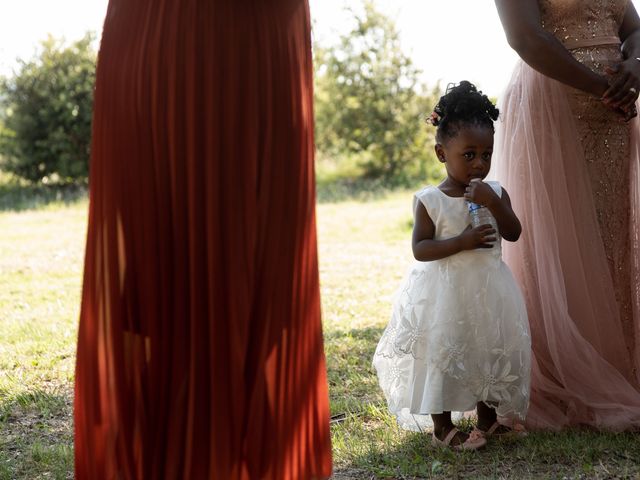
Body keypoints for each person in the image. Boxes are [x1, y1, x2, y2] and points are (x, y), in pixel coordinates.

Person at [74, 1, 332, 478]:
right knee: (159, 266)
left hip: (258, 33)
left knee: (260, 265)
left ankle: (242, 452)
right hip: (165, 27)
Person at [493, 0, 640, 430]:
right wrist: (601, 87)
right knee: (564, 241)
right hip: (553, 111)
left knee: (612, 235)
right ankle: (568, 373)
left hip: (614, 118)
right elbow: (524, 38)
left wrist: (635, 62)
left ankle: (622, 366)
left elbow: (632, 24)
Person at [373, 82, 531, 450]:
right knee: (445, 354)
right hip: (447, 295)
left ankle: (488, 419)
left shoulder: (495, 192)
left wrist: (494, 202)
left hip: (489, 291)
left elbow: (514, 232)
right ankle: (442, 426)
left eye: (487, 154)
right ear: (442, 153)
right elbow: (420, 248)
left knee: (487, 351)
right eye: (469, 154)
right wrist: (461, 242)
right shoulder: (431, 199)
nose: (479, 163)